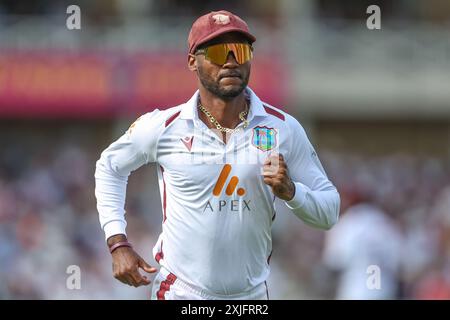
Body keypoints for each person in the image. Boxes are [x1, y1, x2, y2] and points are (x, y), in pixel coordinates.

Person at [95, 10, 340, 300]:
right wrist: (117, 242)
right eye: (218, 51)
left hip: (249, 298)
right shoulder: (164, 127)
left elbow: (329, 212)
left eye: (240, 50)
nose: (231, 61)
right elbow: (110, 166)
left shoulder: (283, 129)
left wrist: (291, 192)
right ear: (192, 62)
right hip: (181, 293)